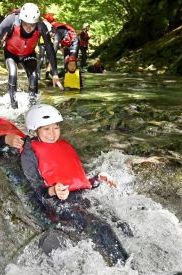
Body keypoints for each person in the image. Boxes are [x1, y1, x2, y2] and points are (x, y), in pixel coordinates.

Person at [21, 104, 128, 266]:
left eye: (55, 128)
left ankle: (137, 262)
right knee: (101, 227)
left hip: (79, 198)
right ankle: (130, 274)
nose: (52, 134)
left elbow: (78, 182)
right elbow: (36, 190)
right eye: (46, 129)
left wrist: (97, 179)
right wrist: (54, 190)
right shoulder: (29, 154)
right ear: (35, 131)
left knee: (119, 223)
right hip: (56, 204)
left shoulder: (64, 146)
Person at [0, 3, 63, 110]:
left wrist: (55, 73)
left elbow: (49, 48)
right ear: (21, 19)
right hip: (11, 53)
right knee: (13, 74)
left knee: (34, 77)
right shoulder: (11, 20)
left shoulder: (41, 26)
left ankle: (33, 107)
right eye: (26, 24)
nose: (29, 28)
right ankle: (14, 107)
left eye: (32, 25)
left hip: (29, 53)